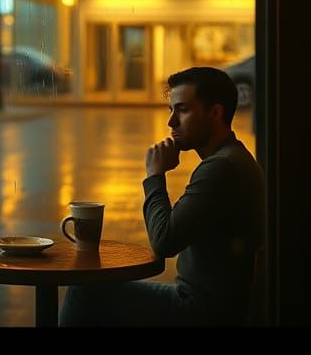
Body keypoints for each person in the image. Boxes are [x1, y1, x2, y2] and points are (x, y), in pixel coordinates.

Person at [59, 66, 264, 326]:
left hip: (200, 312)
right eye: (171, 110)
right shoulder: (235, 157)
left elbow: (164, 241)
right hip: (217, 305)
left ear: (215, 112)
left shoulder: (220, 168)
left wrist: (155, 175)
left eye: (183, 109)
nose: (171, 122)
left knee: (84, 293)